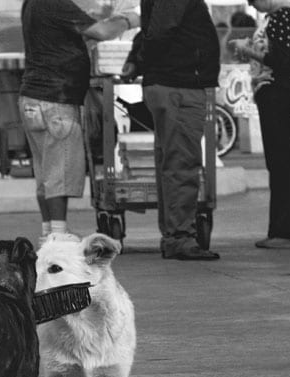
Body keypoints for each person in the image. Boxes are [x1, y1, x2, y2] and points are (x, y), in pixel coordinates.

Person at [19, 0, 138, 244]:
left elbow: (61, 38)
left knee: (45, 173)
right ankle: (59, 235)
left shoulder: (31, 4)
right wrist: (130, 19)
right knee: (60, 171)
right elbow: (103, 32)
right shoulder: (55, 3)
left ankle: (48, 232)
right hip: (56, 98)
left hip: (32, 97)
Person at [121, 0, 220, 260]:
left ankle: (174, 234)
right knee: (182, 162)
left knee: (172, 161)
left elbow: (152, 30)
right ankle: (180, 237)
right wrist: (142, 60)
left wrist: (138, 61)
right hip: (179, 84)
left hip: (170, 83)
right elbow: (160, 31)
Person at [230, 0, 290, 249]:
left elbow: (281, 59)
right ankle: (283, 228)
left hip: (277, 90)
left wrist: (247, 50)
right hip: (271, 91)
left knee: (282, 160)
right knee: (278, 160)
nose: (253, 4)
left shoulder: (285, 16)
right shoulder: (276, 17)